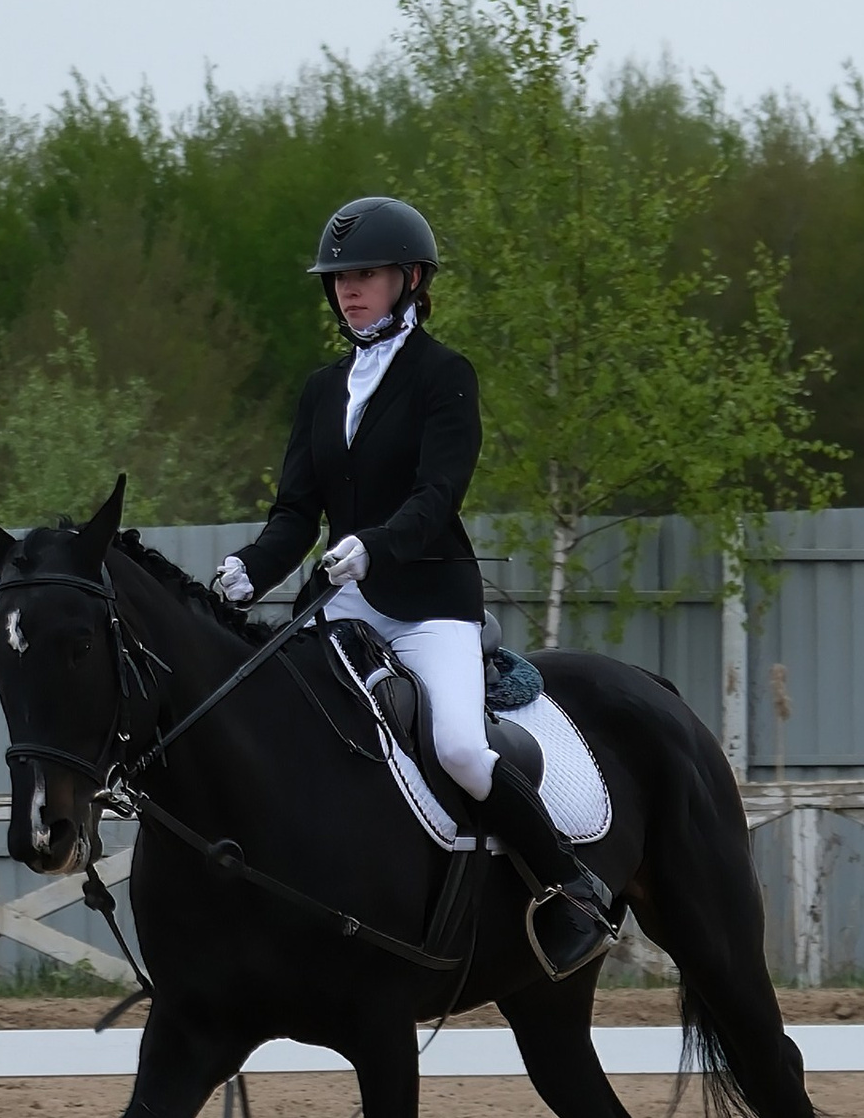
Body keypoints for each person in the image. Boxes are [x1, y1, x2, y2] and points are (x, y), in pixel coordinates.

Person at [214, 195, 621, 979]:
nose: (348, 289)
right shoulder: (320, 389)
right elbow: (296, 514)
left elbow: (437, 498)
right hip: (342, 601)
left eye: (364, 274)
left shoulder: (445, 375)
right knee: (269, 720)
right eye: (338, 278)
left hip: (430, 602)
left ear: (409, 278)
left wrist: (374, 545)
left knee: (462, 747)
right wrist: (248, 569)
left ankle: (569, 888)